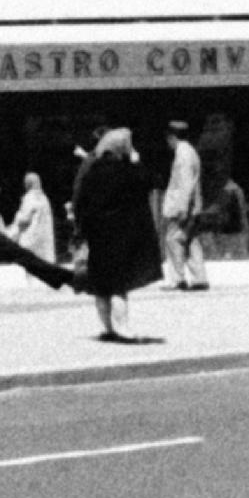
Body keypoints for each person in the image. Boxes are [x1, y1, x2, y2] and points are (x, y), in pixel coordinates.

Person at [72, 125, 163, 343]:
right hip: (121, 234)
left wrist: (82, 229)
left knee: (101, 284)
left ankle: (107, 327)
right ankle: (123, 328)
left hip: (97, 234)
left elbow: (81, 200)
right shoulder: (127, 170)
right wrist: (136, 160)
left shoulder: (92, 170)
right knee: (119, 285)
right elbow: (150, 182)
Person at [159, 119, 209, 293]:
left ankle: (177, 279)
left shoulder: (183, 154)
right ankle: (199, 278)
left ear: (172, 137)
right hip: (192, 206)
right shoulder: (191, 152)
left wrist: (182, 208)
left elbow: (185, 183)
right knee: (190, 241)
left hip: (182, 206)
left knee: (173, 240)